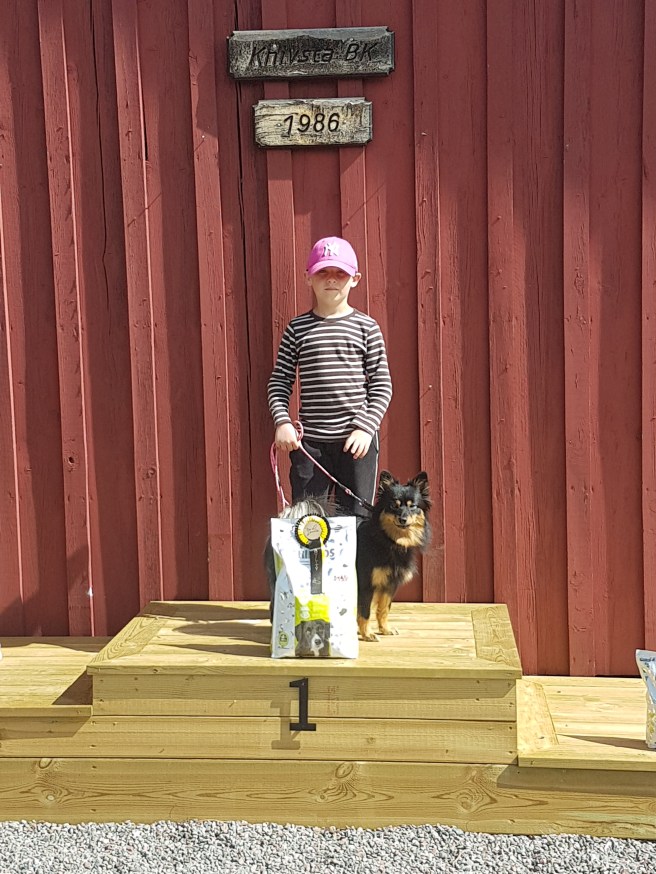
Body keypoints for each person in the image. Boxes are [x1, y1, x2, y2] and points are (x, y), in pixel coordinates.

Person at [267, 236, 392, 518]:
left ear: (355, 279)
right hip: (310, 447)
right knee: (307, 522)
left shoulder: (367, 328)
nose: (332, 279)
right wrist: (282, 422)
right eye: (323, 272)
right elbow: (279, 382)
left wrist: (365, 428)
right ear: (308, 278)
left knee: (357, 523)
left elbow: (382, 385)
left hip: (356, 444)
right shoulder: (297, 329)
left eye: (340, 273)